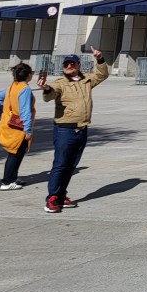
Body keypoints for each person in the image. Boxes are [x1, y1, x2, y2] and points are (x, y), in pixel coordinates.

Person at [38, 46, 108, 213]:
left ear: (78, 65)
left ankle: (62, 195)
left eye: (72, 64)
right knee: (60, 165)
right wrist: (45, 88)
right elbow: (51, 94)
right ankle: (52, 198)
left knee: (71, 165)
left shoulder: (86, 80)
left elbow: (102, 74)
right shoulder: (60, 83)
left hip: (82, 129)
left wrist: (100, 59)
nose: (69, 66)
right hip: (64, 130)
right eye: (66, 64)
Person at [0, 63, 36, 190]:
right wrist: (27, 130)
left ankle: (13, 178)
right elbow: (25, 111)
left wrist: (1, 112)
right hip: (19, 127)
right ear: (28, 75)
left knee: (16, 153)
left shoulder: (13, 86)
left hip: (8, 124)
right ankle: (7, 181)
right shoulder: (24, 89)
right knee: (15, 153)